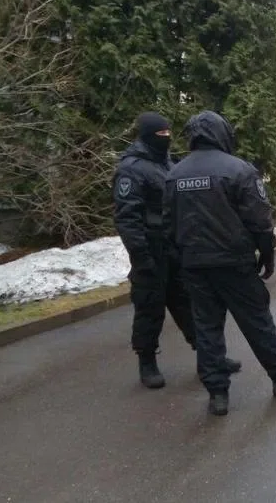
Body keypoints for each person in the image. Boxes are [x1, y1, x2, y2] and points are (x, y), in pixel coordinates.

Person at [164, 110, 276, 416]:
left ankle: (217, 393)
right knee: (256, 320)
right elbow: (259, 219)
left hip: (194, 264)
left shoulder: (175, 174)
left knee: (206, 327)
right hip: (233, 262)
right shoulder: (238, 170)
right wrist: (267, 253)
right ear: (222, 133)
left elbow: (168, 223)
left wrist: (182, 257)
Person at [113, 112, 241, 389]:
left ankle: (209, 359)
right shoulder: (131, 169)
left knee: (191, 306)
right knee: (149, 307)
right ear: (147, 135)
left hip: (176, 247)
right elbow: (127, 218)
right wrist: (141, 256)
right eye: (161, 134)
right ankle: (147, 361)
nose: (167, 138)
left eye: (169, 133)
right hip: (150, 249)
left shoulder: (169, 162)